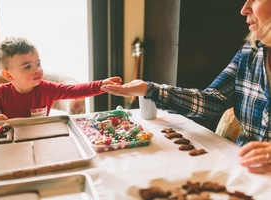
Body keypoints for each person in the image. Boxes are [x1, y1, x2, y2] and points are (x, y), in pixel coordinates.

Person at [101, 0, 271, 174]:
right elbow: (212, 100)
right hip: (246, 169)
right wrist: (149, 90)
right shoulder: (249, 52)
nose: (244, 9)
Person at [0, 36, 121, 123]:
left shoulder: (47, 88)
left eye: (38, 64)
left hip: (41, 136)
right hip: (12, 140)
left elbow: (75, 90)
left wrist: (101, 84)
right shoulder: (1, 93)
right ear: (9, 75)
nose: (36, 70)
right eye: (27, 67)